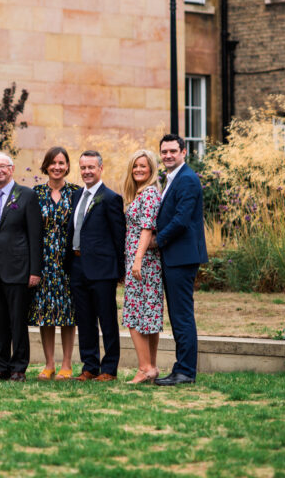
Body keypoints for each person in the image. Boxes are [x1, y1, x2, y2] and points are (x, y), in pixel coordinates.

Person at [0, 152, 43, 382]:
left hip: (18, 269)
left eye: (2, 166)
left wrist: (35, 270)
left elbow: (35, 235)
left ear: (11, 168)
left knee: (17, 322)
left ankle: (18, 368)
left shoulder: (27, 195)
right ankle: (1, 367)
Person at [65, 150, 126, 382]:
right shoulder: (76, 195)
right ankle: (90, 366)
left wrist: (119, 270)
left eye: (91, 167)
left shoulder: (110, 198)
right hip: (77, 265)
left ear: (100, 168)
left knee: (107, 320)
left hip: (102, 269)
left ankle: (109, 368)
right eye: (83, 168)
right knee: (85, 319)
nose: (87, 171)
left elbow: (118, 237)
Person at [154, 134, 208, 386]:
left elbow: (181, 219)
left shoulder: (186, 178)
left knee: (182, 315)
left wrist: (157, 240)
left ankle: (185, 371)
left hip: (181, 257)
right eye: (164, 152)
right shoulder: (173, 178)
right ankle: (181, 368)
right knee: (178, 315)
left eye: (173, 151)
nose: (168, 155)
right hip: (175, 256)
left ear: (183, 152)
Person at [29, 147, 80, 381]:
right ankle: (49, 364)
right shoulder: (36, 193)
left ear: (67, 166)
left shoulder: (76, 193)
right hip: (43, 260)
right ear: (46, 166)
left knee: (68, 313)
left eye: (61, 163)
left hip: (69, 260)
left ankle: (67, 364)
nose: (57, 167)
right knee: (45, 313)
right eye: (53, 163)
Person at [122, 150, 164, 384]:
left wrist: (137, 260)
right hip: (144, 262)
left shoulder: (148, 194)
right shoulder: (144, 193)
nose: (138, 169)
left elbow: (147, 229)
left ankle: (144, 368)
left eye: (143, 166)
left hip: (143, 263)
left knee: (134, 315)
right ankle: (152, 368)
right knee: (148, 315)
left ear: (151, 169)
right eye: (135, 165)